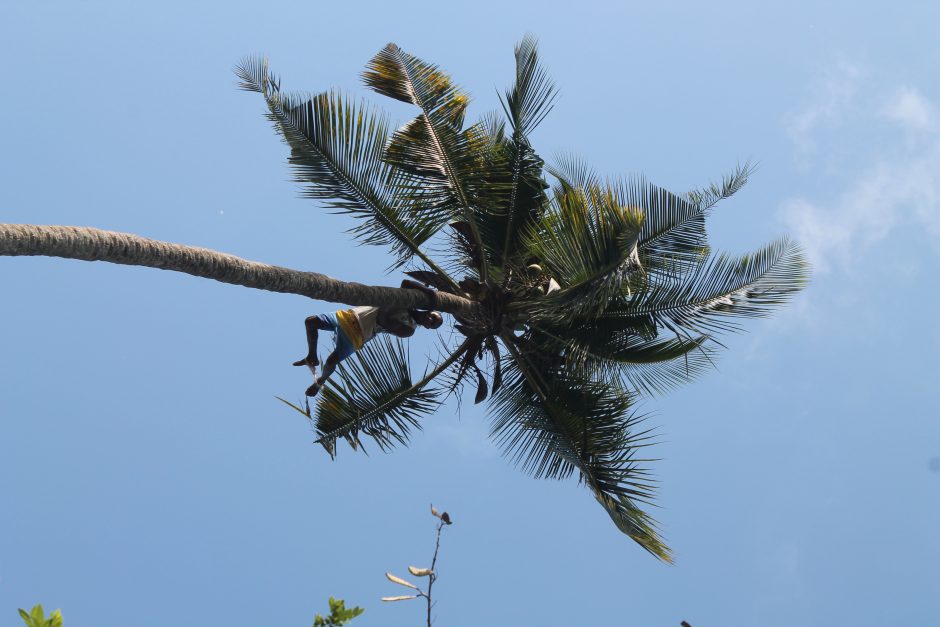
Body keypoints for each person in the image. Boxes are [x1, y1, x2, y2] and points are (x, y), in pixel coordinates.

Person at [292, 280, 443, 397]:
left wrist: (399, 299)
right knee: (310, 322)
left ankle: (321, 381)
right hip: (349, 316)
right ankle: (312, 355)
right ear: (430, 311)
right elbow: (405, 283)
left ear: (428, 327)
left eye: (432, 323)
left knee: (332, 361)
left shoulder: (409, 329)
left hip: (357, 334)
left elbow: (383, 319)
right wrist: (427, 292)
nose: (430, 319)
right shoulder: (410, 302)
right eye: (433, 316)